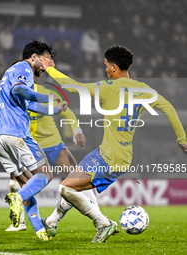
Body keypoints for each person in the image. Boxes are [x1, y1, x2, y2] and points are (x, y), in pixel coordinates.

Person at [39, 45, 187, 243]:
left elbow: (73, 87)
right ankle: (51, 223)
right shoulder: (144, 90)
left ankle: (104, 224)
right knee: (73, 184)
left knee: (66, 188)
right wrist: (182, 140)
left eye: (106, 66)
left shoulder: (108, 88)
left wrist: (49, 68)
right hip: (111, 153)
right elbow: (169, 109)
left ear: (115, 68)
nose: (105, 70)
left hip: (110, 157)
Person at [0, 83, 89, 232]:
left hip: (51, 144)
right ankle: (21, 222)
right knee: (16, 182)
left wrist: (77, 130)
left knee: (76, 177)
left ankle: (96, 216)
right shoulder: (13, 95)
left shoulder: (44, 92)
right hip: (28, 145)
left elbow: (67, 112)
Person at [0, 40, 67, 241]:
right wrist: (46, 97)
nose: (51, 64)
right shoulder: (23, 67)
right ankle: (17, 198)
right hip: (17, 134)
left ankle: (39, 230)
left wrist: (53, 109)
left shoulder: (11, 72)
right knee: (46, 175)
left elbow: (27, 105)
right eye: (48, 59)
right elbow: (19, 90)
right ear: (34, 57)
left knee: (26, 183)